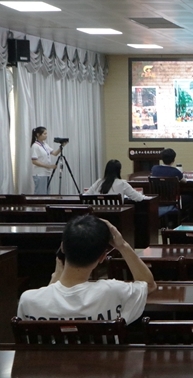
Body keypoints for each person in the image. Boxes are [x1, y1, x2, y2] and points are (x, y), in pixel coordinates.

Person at [17, 214, 156, 322]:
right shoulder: (113, 292)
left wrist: (53, 281)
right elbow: (149, 285)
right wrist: (122, 245)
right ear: (102, 257)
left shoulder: (29, 300)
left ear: (63, 247)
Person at [30, 126, 62, 194]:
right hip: (40, 173)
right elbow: (34, 161)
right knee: (40, 194)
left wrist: (61, 146)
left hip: (46, 173)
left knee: (46, 193)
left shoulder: (45, 145)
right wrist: (49, 166)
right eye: (44, 134)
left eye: (46, 133)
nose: (46, 135)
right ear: (38, 134)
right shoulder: (35, 146)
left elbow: (55, 153)